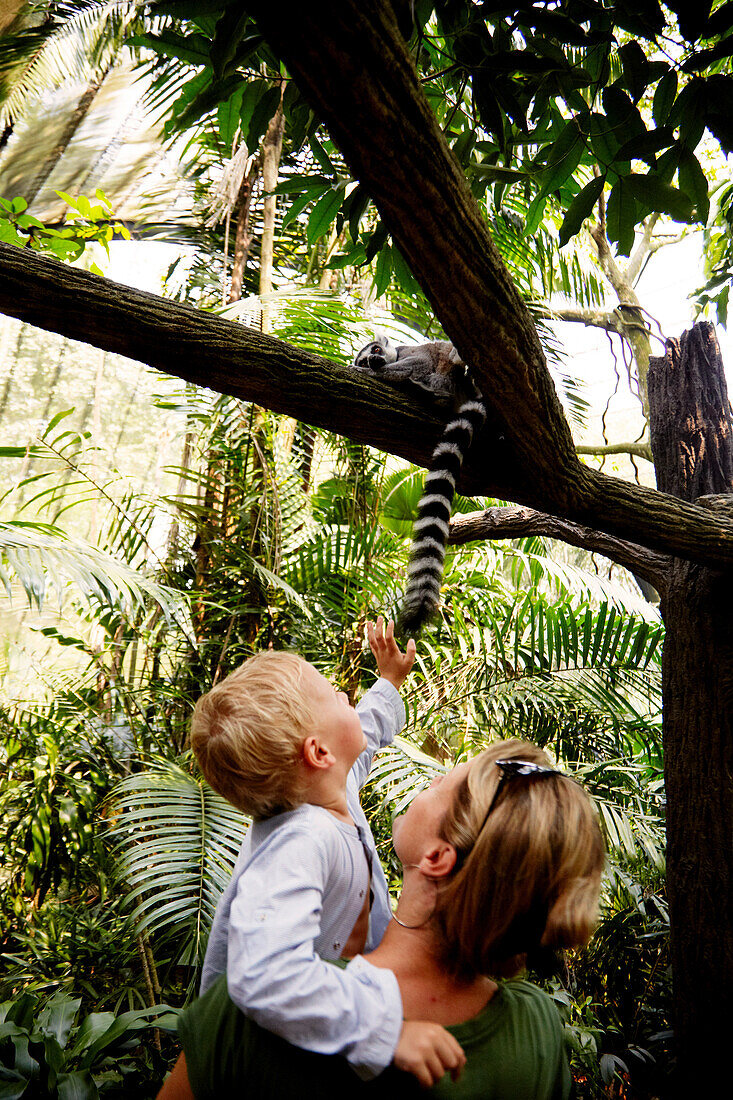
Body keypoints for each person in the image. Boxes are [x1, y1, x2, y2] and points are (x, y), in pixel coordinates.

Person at [159, 738, 605, 1099]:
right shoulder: (537, 1035)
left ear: (436, 857)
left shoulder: (261, 1000)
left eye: (439, 786)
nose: (429, 779)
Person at [188, 618, 464, 1085]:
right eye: (333, 695)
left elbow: (367, 731)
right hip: (261, 1054)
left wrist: (390, 679)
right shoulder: (305, 838)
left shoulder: (329, 790)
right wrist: (383, 1032)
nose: (345, 696)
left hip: (308, 1026)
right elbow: (265, 971)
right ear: (318, 753)